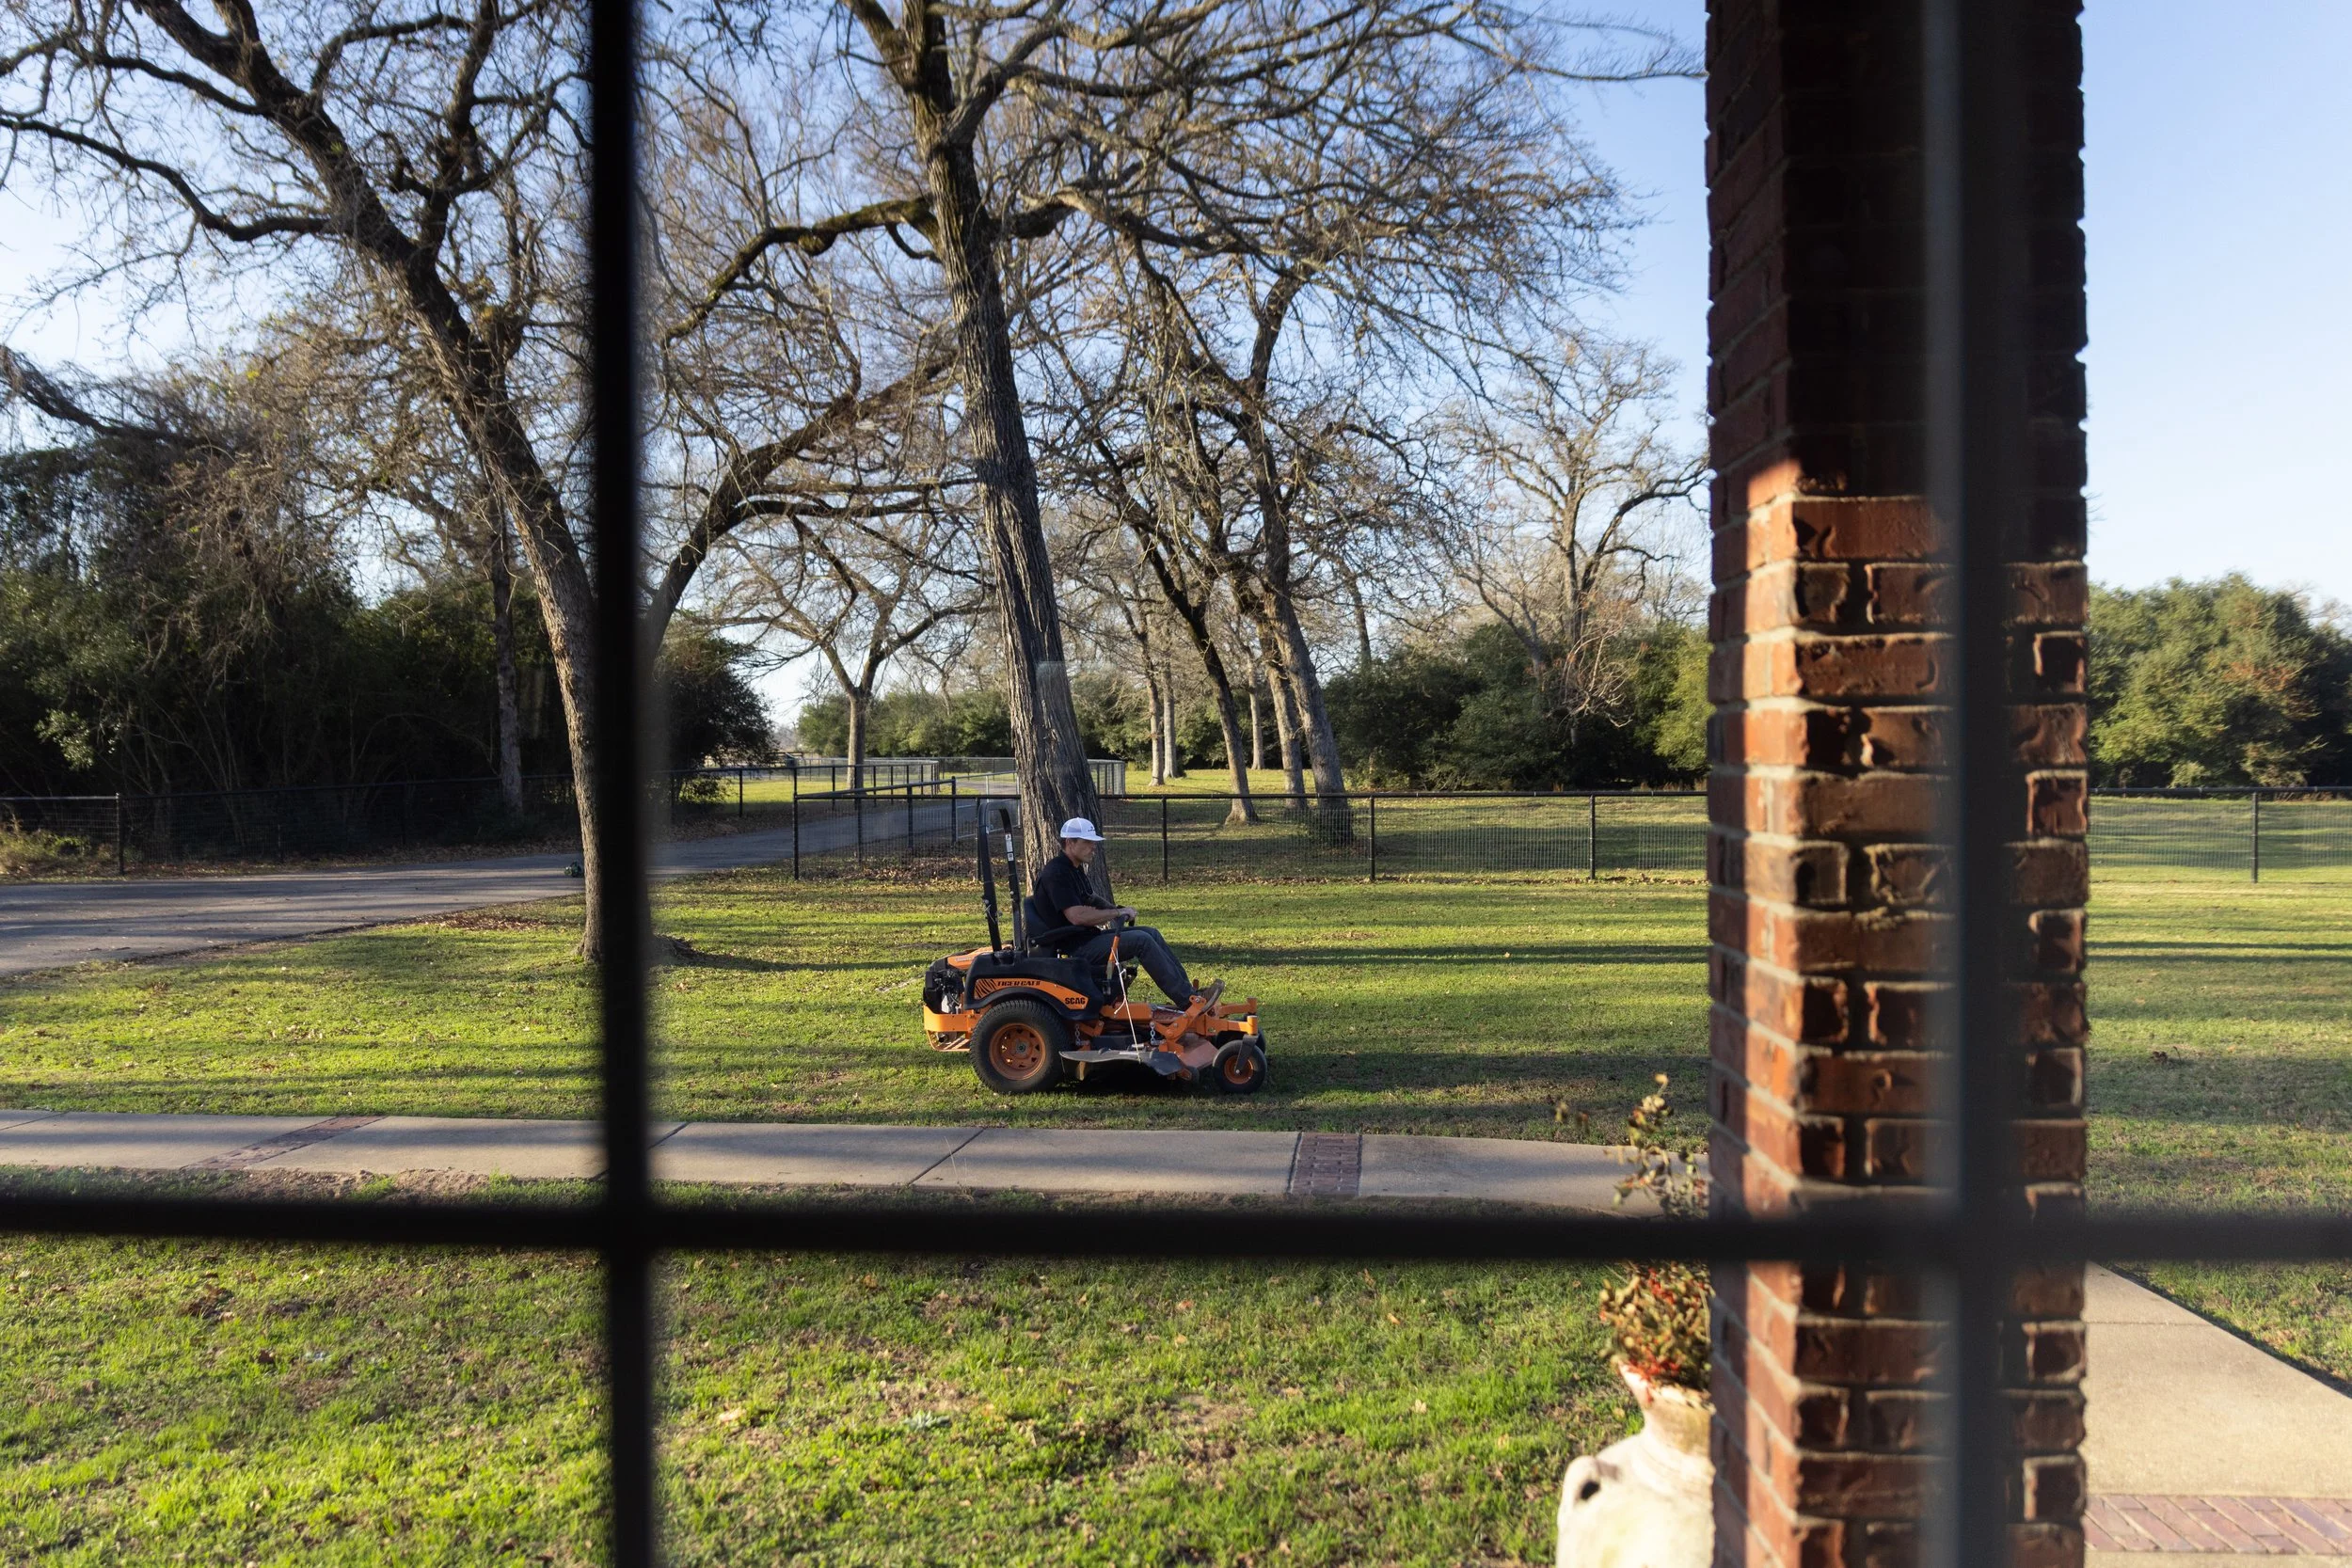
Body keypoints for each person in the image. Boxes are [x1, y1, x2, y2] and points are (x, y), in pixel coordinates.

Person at [1024, 816, 1204, 1005]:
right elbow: (1077, 916)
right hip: (1077, 947)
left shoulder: (1073, 869)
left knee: (1151, 933)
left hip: (1086, 938)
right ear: (1070, 842)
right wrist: (1117, 914)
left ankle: (1189, 992)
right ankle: (1187, 1001)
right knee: (1141, 941)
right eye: (1088, 842)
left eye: (1094, 842)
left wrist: (1115, 908)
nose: (1093, 847)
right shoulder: (1056, 873)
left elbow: (1089, 897)